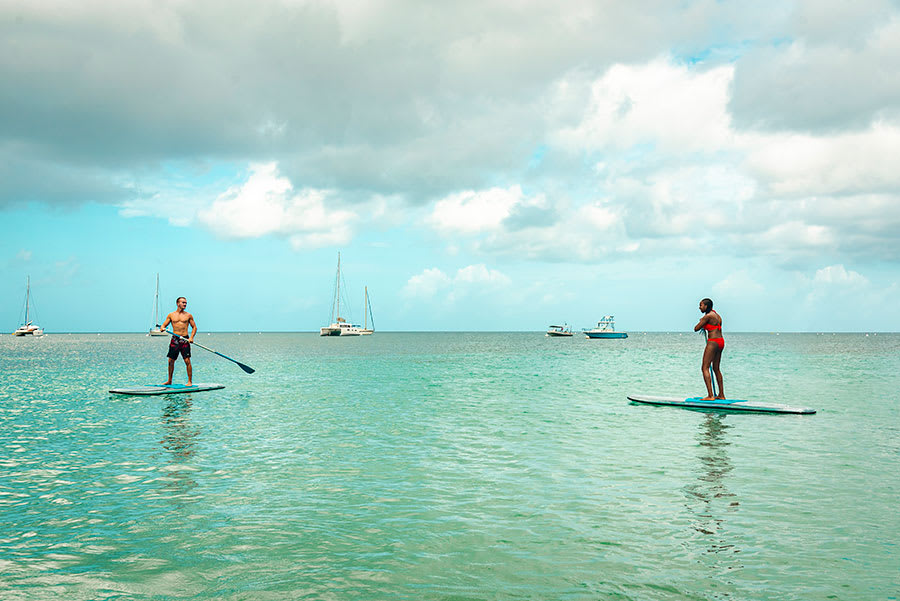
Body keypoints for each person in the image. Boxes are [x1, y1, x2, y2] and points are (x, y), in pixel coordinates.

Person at [160, 297, 197, 386]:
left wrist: (191, 337)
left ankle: (189, 381)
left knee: (187, 361)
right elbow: (164, 325)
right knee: (170, 361)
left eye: (186, 303)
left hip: (185, 339)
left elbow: (194, 327)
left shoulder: (188, 315)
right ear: (177, 303)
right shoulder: (171, 315)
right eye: (183, 302)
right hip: (175, 339)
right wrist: (162, 328)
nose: (185, 304)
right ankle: (169, 380)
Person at [693, 297, 724, 400]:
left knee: (705, 367)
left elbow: (696, 328)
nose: (699, 307)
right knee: (716, 368)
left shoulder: (708, 316)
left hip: (713, 342)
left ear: (706, 306)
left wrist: (702, 322)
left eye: (701, 305)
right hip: (721, 342)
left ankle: (710, 396)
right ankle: (721, 395)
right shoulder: (717, 316)